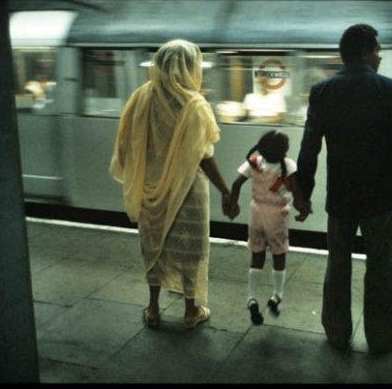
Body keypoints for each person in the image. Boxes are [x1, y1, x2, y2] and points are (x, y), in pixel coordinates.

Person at [296, 23, 392, 354]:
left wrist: (302, 194)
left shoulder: (322, 91)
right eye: (378, 50)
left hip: (341, 196)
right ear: (365, 52)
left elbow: (309, 150)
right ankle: (380, 337)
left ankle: (337, 333)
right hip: (380, 198)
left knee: (338, 265)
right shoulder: (389, 89)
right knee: (380, 267)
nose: (380, 56)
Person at [109, 39, 233, 330]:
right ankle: (191, 310)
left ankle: (153, 308)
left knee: (154, 246)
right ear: (189, 68)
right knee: (191, 249)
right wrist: (226, 191)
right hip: (188, 192)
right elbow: (203, 157)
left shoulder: (141, 98)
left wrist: (145, 171)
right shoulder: (194, 105)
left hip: (150, 189)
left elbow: (126, 145)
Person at [229, 130, 310, 325]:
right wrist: (303, 208)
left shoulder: (255, 162)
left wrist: (233, 204)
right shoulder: (288, 165)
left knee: (257, 255)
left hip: (256, 214)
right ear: (284, 151)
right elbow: (296, 190)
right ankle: (277, 296)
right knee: (278, 255)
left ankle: (251, 297)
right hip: (277, 216)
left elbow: (236, 183)